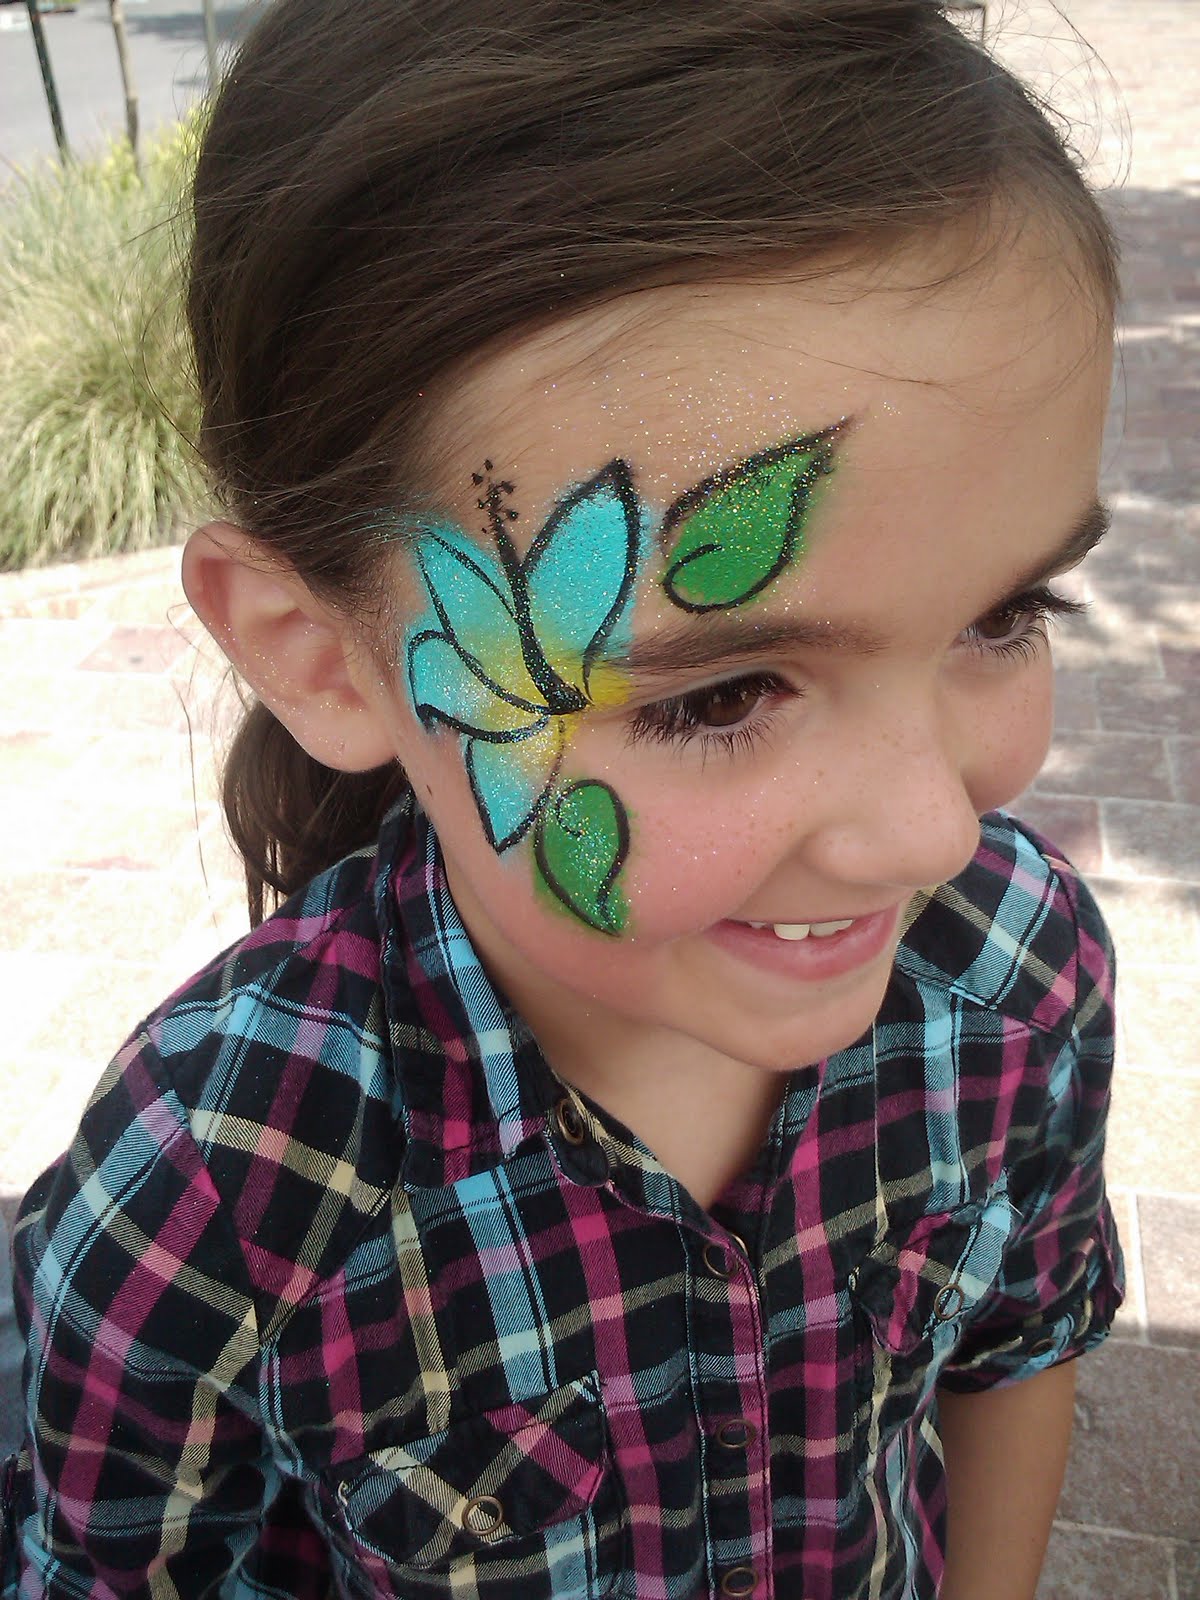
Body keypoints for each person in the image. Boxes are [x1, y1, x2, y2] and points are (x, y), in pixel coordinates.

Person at [1, 1, 1125, 1595]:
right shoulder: (209, 1197)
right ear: (323, 659)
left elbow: (1024, 1338)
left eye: (1003, 619)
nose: (936, 833)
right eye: (722, 694)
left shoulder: (1016, 980)